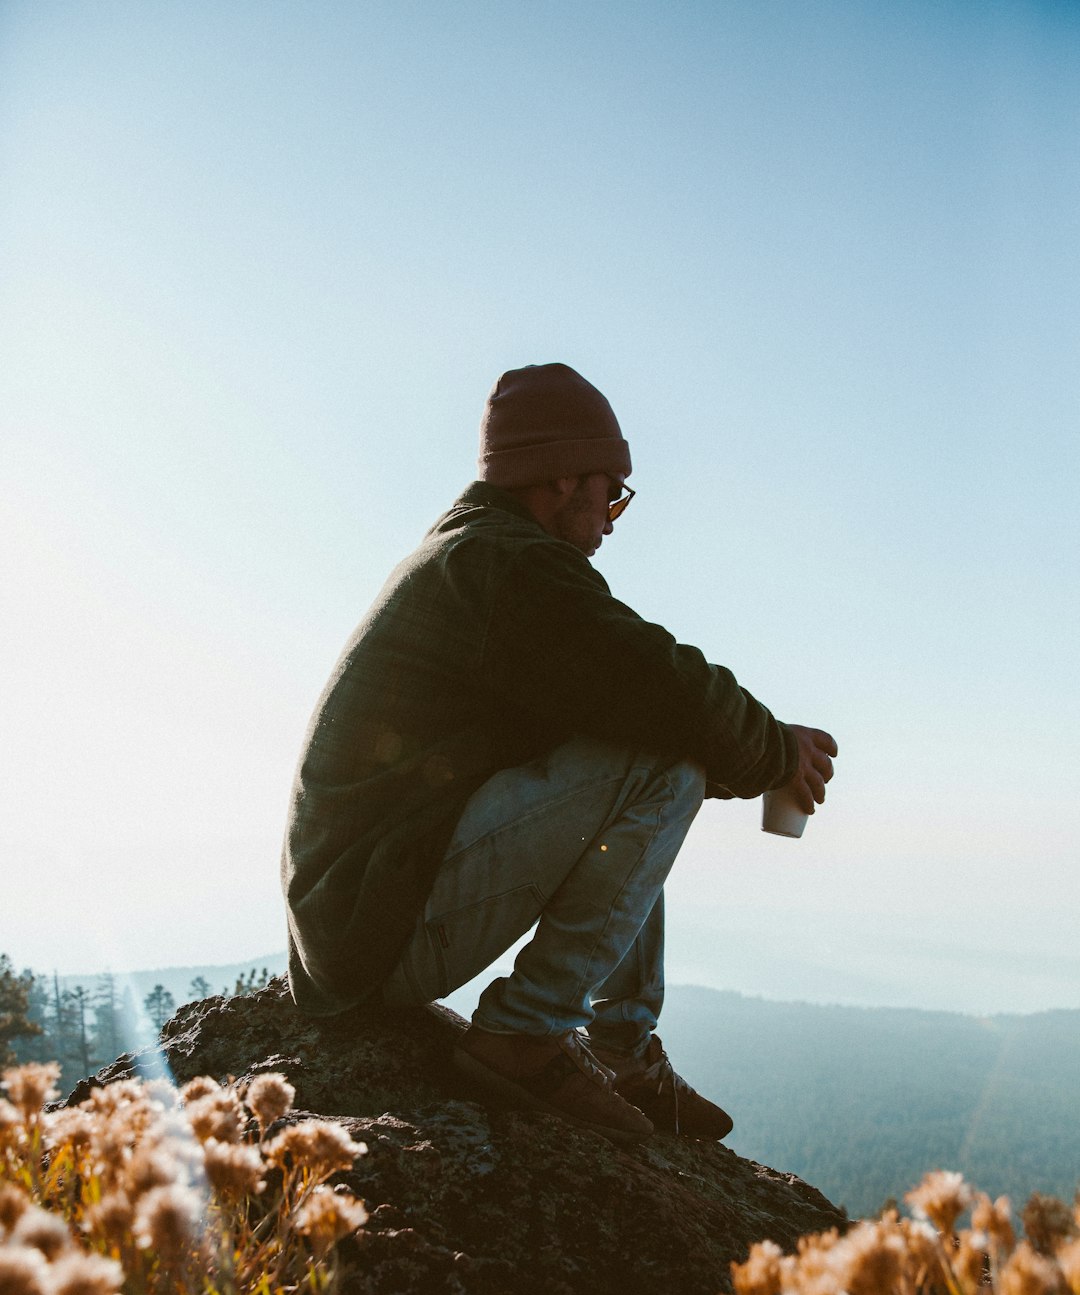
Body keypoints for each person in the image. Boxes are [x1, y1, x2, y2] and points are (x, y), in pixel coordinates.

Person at [281, 364, 837, 1146]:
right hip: (374, 931)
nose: (614, 516)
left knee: (651, 750)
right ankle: (526, 1036)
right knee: (661, 765)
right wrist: (775, 750)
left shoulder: (474, 558)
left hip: (359, 920)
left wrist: (754, 756)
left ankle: (621, 1051)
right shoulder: (508, 567)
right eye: (612, 491)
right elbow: (659, 681)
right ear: (562, 476)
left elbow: (635, 701)